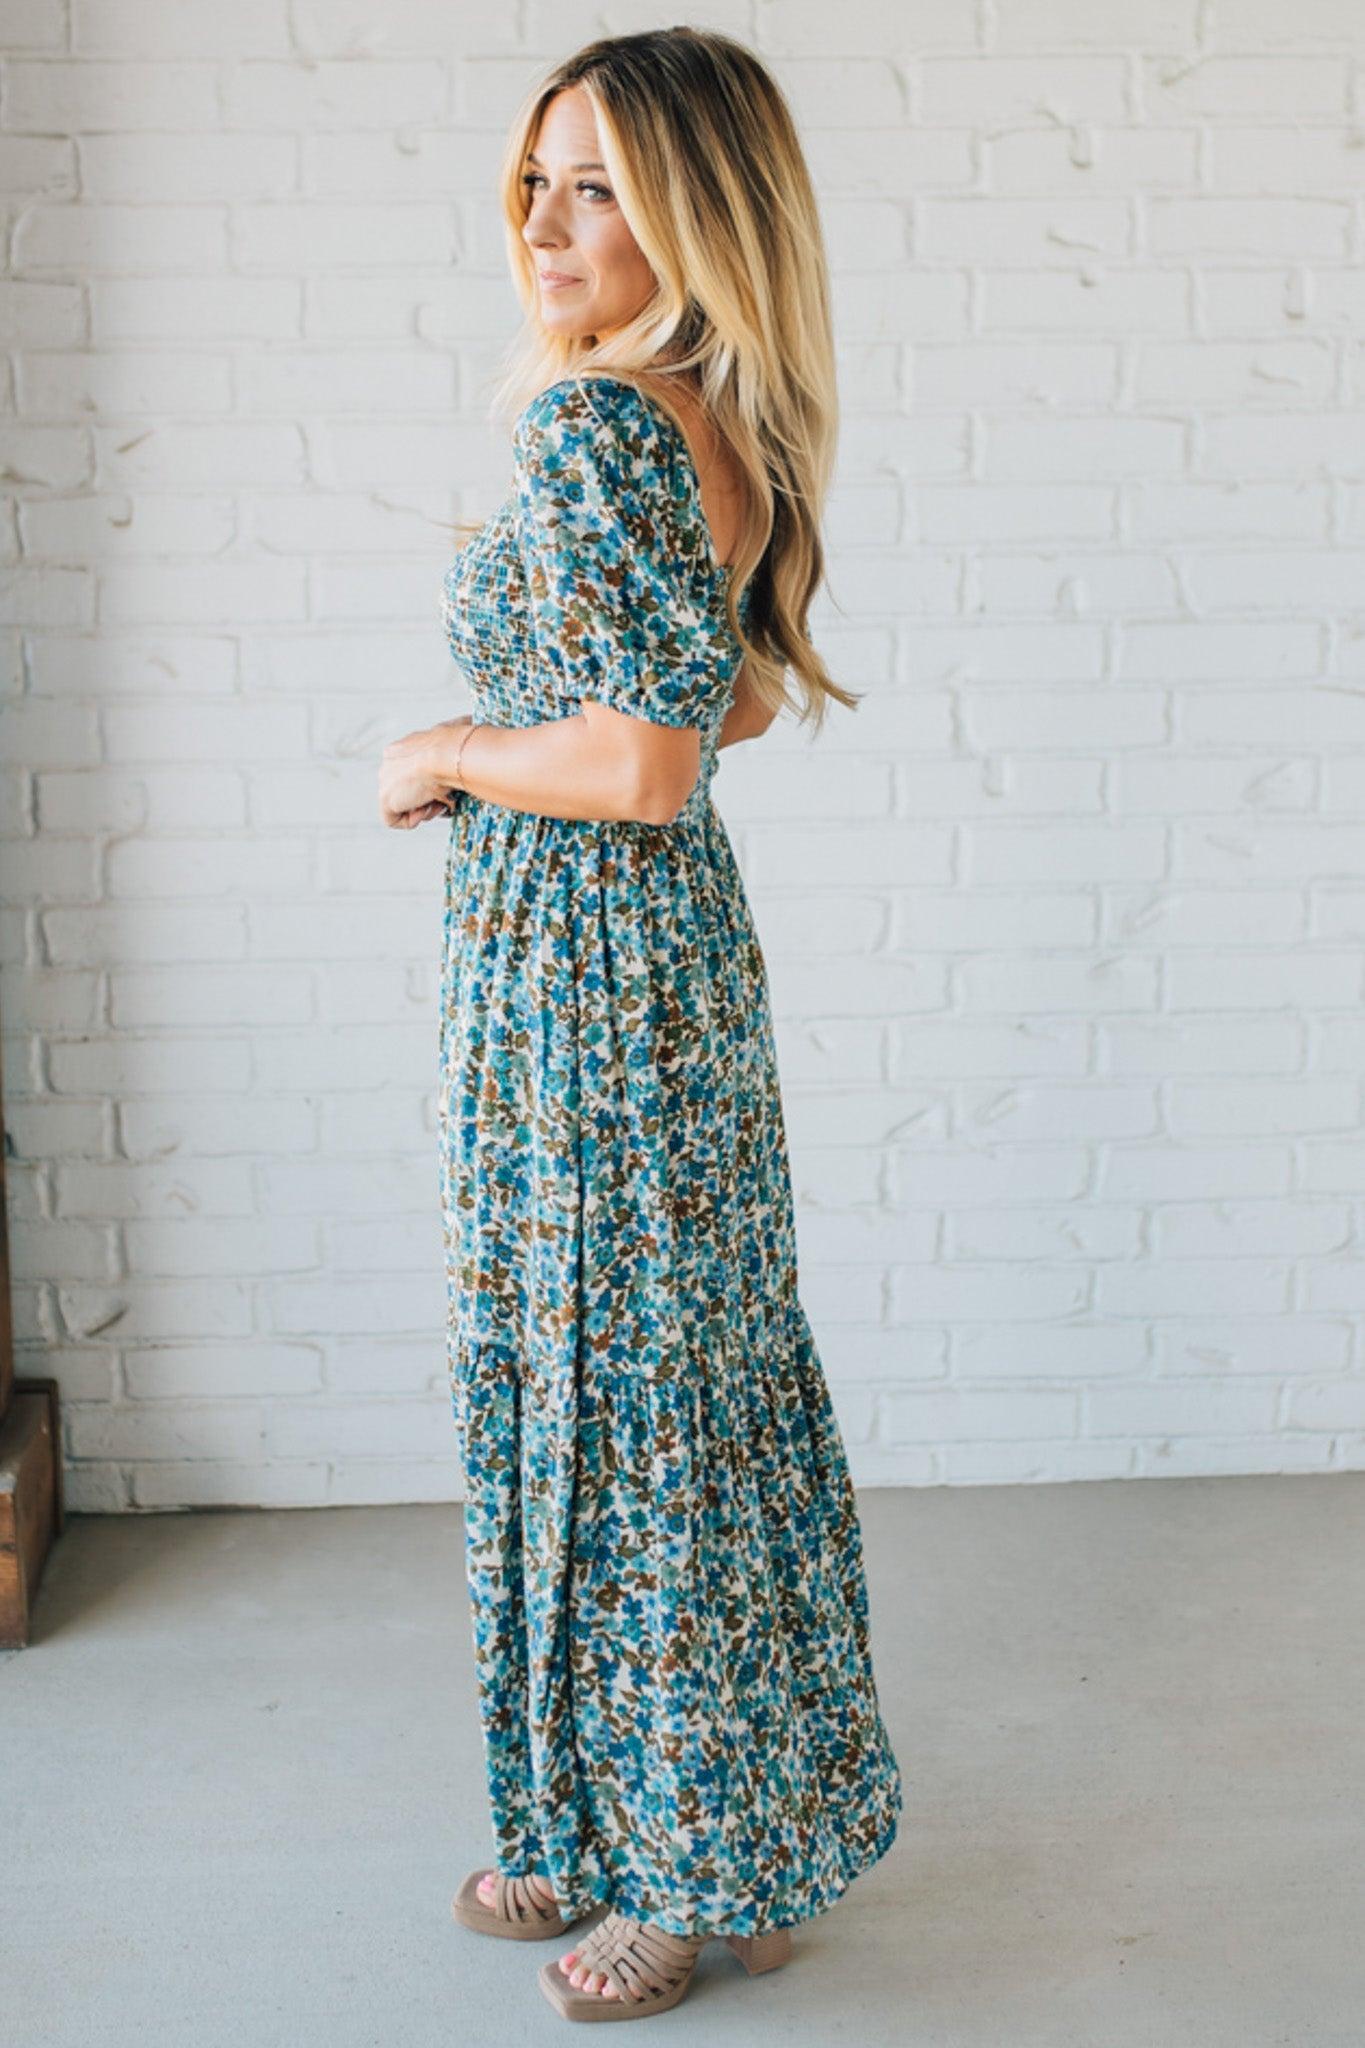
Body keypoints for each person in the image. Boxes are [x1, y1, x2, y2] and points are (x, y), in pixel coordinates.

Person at [377, 27, 903, 2024]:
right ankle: (715, 1843)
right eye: (533, 180)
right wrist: (543, 752)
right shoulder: (726, 421)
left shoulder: (595, 428)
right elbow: (737, 696)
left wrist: (442, 749)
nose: (542, 221)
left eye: (593, 183)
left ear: (695, 209)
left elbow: (648, 760)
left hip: (584, 980)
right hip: (666, 974)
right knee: (683, 1390)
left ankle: (666, 1872)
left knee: (607, 1401)